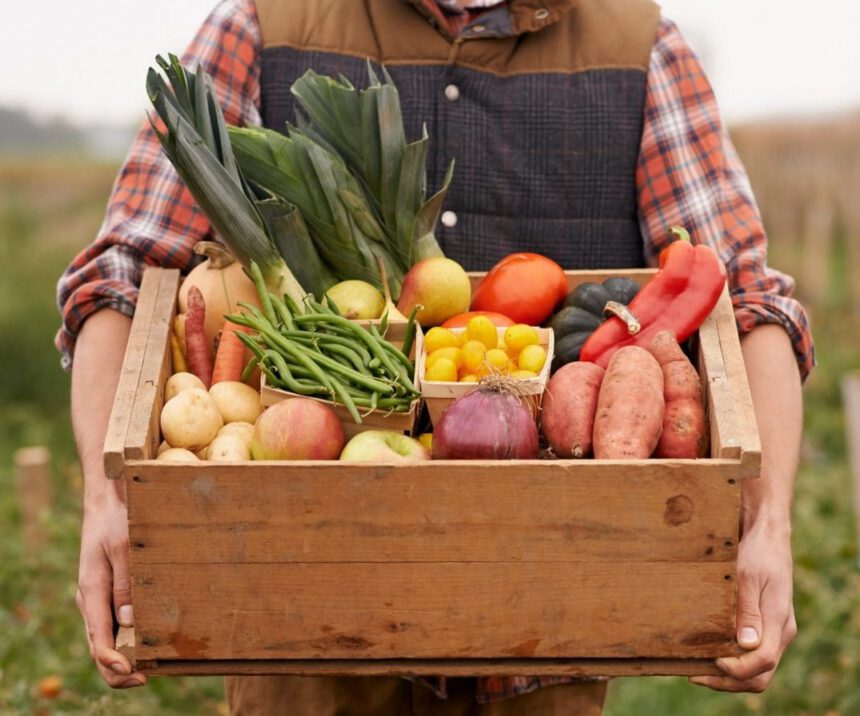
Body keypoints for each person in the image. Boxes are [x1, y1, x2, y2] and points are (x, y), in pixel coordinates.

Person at [57, 0, 813, 713]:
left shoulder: (637, 43)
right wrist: (106, 501)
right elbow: (122, 279)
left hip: (551, 625)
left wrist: (767, 525)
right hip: (305, 627)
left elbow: (747, 304)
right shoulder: (263, 21)